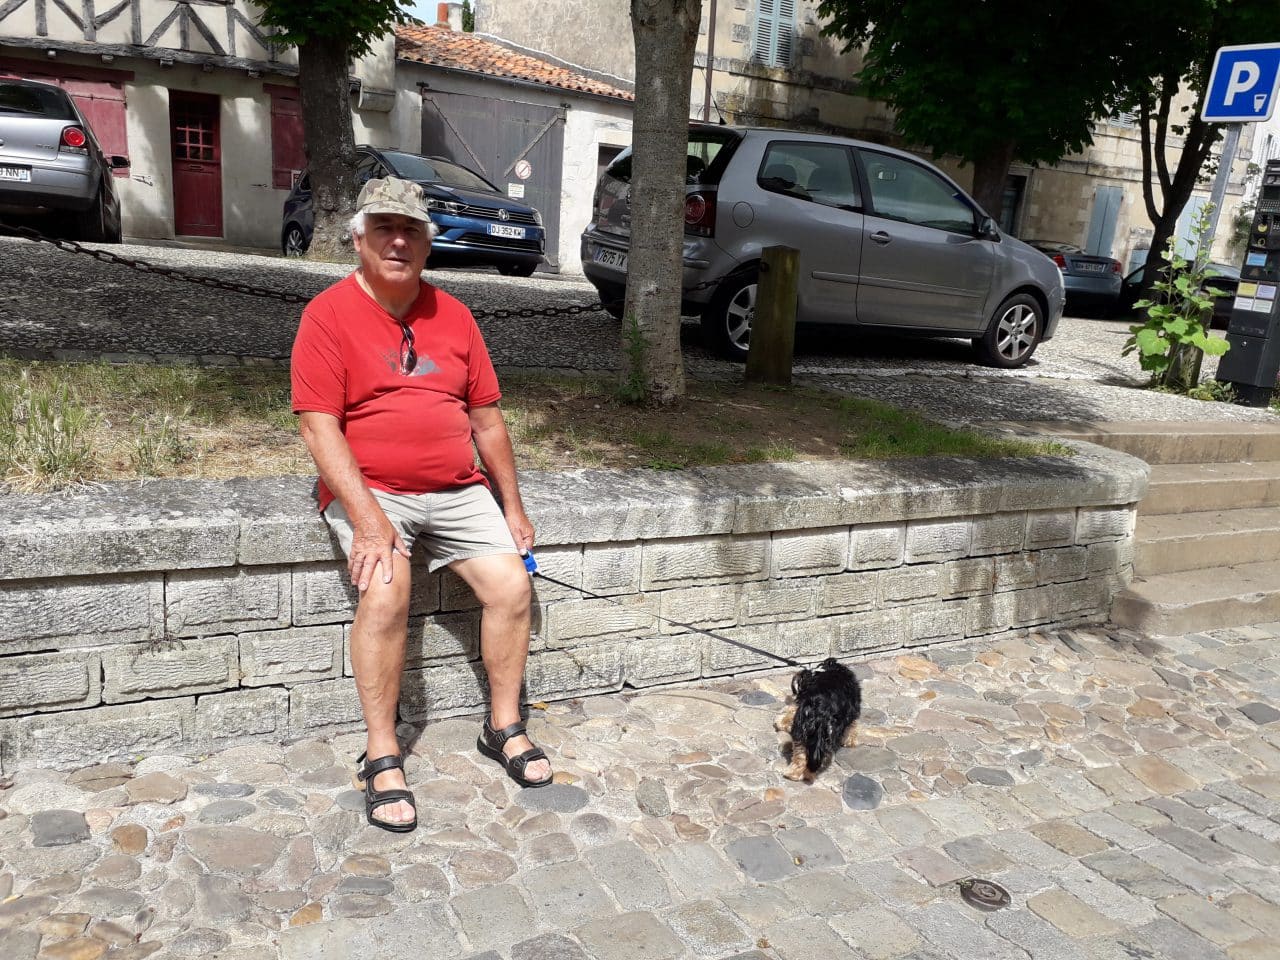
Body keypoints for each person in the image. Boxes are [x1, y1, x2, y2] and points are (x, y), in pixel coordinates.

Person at [290, 177, 552, 834]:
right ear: (358, 239)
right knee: (386, 595)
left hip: (458, 489)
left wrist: (512, 507)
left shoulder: (455, 316)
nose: (398, 242)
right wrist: (368, 520)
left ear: (428, 244)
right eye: (384, 228)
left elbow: (487, 420)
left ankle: (503, 726)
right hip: (372, 489)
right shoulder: (327, 314)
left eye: (411, 230)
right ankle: (382, 753)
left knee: (512, 587)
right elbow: (319, 426)